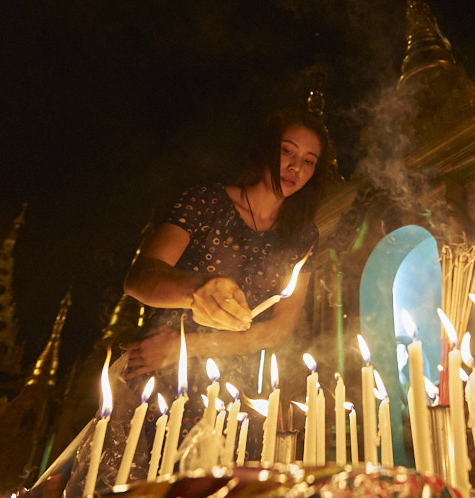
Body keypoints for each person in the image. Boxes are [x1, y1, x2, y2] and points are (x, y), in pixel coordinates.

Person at [119, 107, 330, 457]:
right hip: (161, 370)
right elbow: (138, 278)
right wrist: (196, 290)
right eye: (287, 151)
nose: (296, 167)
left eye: (309, 161)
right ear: (265, 148)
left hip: (233, 389)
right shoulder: (208, 202)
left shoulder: (303, 236)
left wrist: (185, 345)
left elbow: (278, 331)